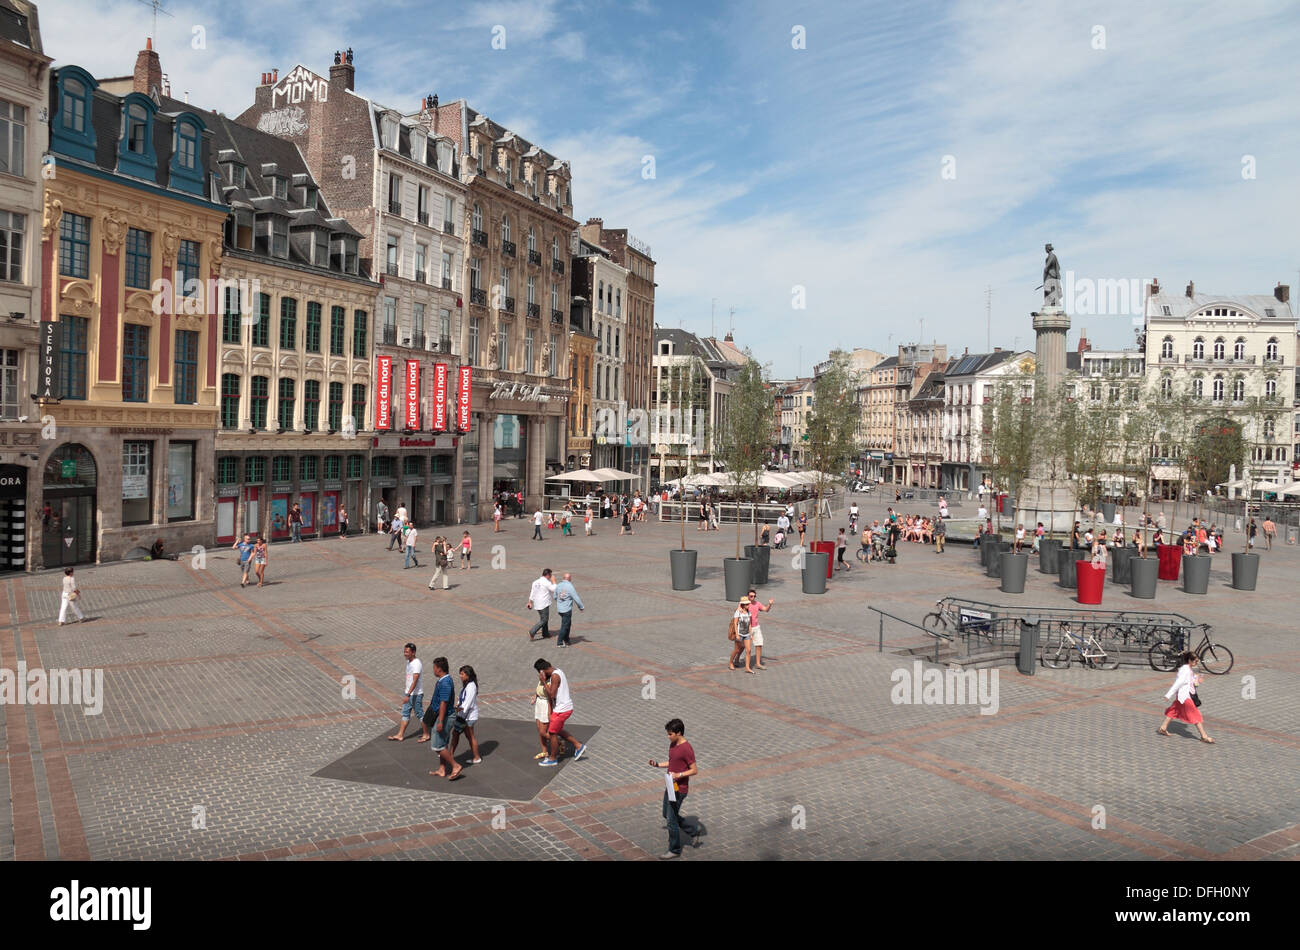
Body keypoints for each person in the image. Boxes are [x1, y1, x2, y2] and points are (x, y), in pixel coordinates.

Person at [649, 718, 698, 860]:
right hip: (670, 785)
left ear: (679, 733)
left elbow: (694, 770)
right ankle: (692, 830)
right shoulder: (673, 744)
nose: (668, 736)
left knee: (671, 820)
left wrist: (679, 774)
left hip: (679, 789)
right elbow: (672, 762)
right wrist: (657, 764)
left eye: (670, 734)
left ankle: (674, 849)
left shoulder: (686, 749)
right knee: (666, 813)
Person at [535, 658, 587, 766]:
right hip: (564, 708)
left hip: (562, 709)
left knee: (552, 733)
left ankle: (553, 758)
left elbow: (552, 695)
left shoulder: (554, 676)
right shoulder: (558, 670)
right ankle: (578, 745)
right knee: (557, 730)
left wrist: (544, 682)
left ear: (542, 671)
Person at [1158, 652, 1213, 742]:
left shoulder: (1188, 669)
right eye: (1195, 661)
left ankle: (1163, 728)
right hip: (1185, 696)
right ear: (1189, 660)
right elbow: (1178, 683)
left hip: (1183, 696)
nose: (1196, 663)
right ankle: (1204, 736)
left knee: (1174, 710)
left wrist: (1197, 680)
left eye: (1197, 661)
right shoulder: (1185, 670)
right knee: (1196, 715)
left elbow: (1190, 682)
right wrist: (1168, 694)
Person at [425, 657, 463, 780]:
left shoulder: (445, 683)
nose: (433, 670)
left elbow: (444, 703)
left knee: (437, 745)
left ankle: (455, 766)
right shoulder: (444, 680)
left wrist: (440, 721)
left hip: (445, 717)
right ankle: (442, 769)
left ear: (439, 669)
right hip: (444, 716)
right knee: (443, 743)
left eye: (434, 668)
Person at [388, 643, 426, 742]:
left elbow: (415, 680)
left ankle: (426, 734)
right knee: (405, 713)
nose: (405, 654)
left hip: (415, 694)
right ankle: (400, 735)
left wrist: (408, 694)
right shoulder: (409, 662)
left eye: (407, 652)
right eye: (404, 651)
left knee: (419, 714)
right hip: (409, 693)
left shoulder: (416, 663)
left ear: (413, 652)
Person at [448, 665, 481, 765]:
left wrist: (456, 709)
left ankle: (476, 757)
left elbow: (467, 704)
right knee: (464, 735)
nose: (460, 676)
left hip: (467, 717)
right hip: (464, 715)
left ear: (468, 675)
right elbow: (462, 699)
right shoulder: (468, 685)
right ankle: (475, 757)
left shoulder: (471, 686)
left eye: (462, 674)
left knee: (465, 735)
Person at [554, 572, 585, 647]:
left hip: (560, 609)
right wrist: (581, 607)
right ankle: (560, 642)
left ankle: (566, 639)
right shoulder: (570, 586)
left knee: (568, 624)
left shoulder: (558, 585)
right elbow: (576, 598)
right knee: (565, 626)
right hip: (566, 609)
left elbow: (555, 596)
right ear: (569, 578)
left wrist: (560, 601)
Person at [747, 589, 775, 669]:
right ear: (748, 596)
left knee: (759, 644)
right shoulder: (744, 604)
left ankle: (758, 663)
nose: (753, 597)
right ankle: (737, 659)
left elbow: (766, 610)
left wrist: (770, 604)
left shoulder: (757, 603)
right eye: (751, 596)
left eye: (754, 596)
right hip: (747, 628)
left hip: (756, 627)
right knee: (742, 647)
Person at [527, 568, 557, 640]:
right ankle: (532, 631)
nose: (551, 577)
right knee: (544, 620)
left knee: (544, 618)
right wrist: (554, 581)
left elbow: (532, 593)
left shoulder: (535, 582)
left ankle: (545, 633)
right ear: (548, 575)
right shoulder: (546, 582)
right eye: (550, 575)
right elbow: (554, 589)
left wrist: (530, 602)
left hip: (537, 604)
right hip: (544, 604)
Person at [728, 599, 754, 672]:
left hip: (747, 634)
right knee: (737, 650)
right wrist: (737, 634)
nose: (749, 605)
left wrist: (751, 634)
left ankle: (747, 668)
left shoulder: (749, 613)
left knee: (748, 650)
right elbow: (735, 624)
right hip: (739, 634)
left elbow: (749, 624)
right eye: (747, 604)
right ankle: (730, 662)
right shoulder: (738, 612)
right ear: (744, 605)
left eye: (749, 604)